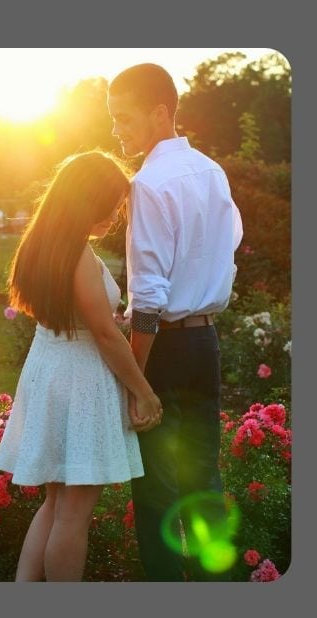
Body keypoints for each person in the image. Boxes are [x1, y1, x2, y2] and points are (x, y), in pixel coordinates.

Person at [0, 151, 160, 581]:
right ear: (88, 200)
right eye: (111, 206)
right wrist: (143, 391)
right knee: (73, 512)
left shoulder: (42, 244)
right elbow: (104, 334)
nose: (115, 217)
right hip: (79, 378)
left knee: (55, 503)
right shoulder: (78, 255)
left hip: (50, 367)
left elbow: (86, 319)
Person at [108, 63, 243, 581]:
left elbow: (147, 299)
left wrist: (135, 380)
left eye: (124, 117)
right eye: (114, 119)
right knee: (204, 479)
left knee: (157, 491)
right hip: (206, 342)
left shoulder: (148, 183)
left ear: (160, 112)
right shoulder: (212, 171)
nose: (117, 130)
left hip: (162, 347)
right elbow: (229, 242)